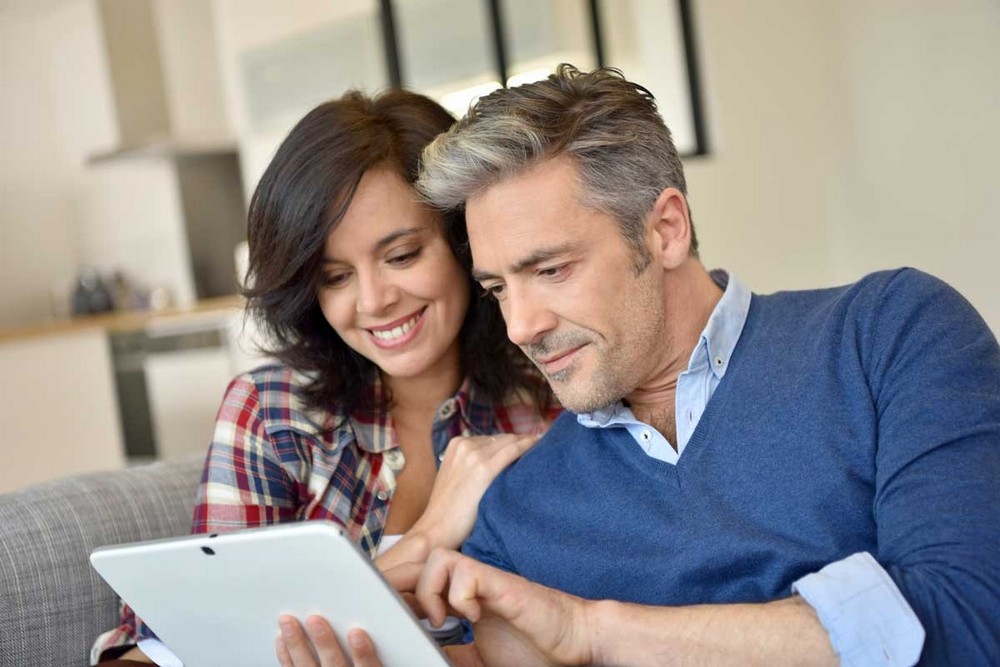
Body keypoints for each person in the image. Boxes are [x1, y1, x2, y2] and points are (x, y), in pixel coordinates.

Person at [283, 64, 1000, 666]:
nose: (520, 326)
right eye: (498, 288)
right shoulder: (517, 505)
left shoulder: (885, 335)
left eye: (551, 269)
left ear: (665, 229)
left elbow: (970, 621)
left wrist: (596, 632)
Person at [90, 89, 557, 666]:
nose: (374, 301)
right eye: (335, 277)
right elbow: (189, 646)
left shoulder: (545, 396)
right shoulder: (273, 412)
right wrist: (424, 540)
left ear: (465, 242)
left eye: (402, 255)